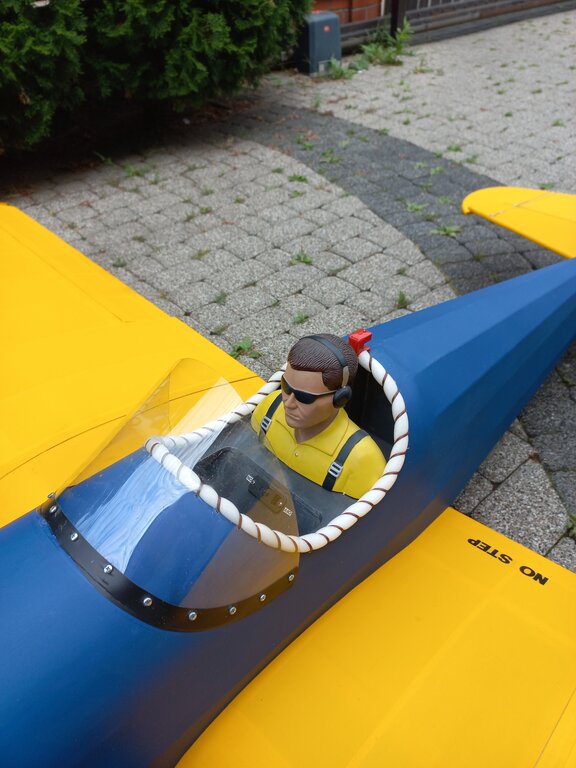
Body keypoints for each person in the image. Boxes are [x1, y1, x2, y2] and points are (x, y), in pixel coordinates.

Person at [251, 334, 385, 499]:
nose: (288, 402)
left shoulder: (362, 459)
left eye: (304, 397)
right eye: (285, 386)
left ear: (340, 399)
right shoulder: (270, 407)